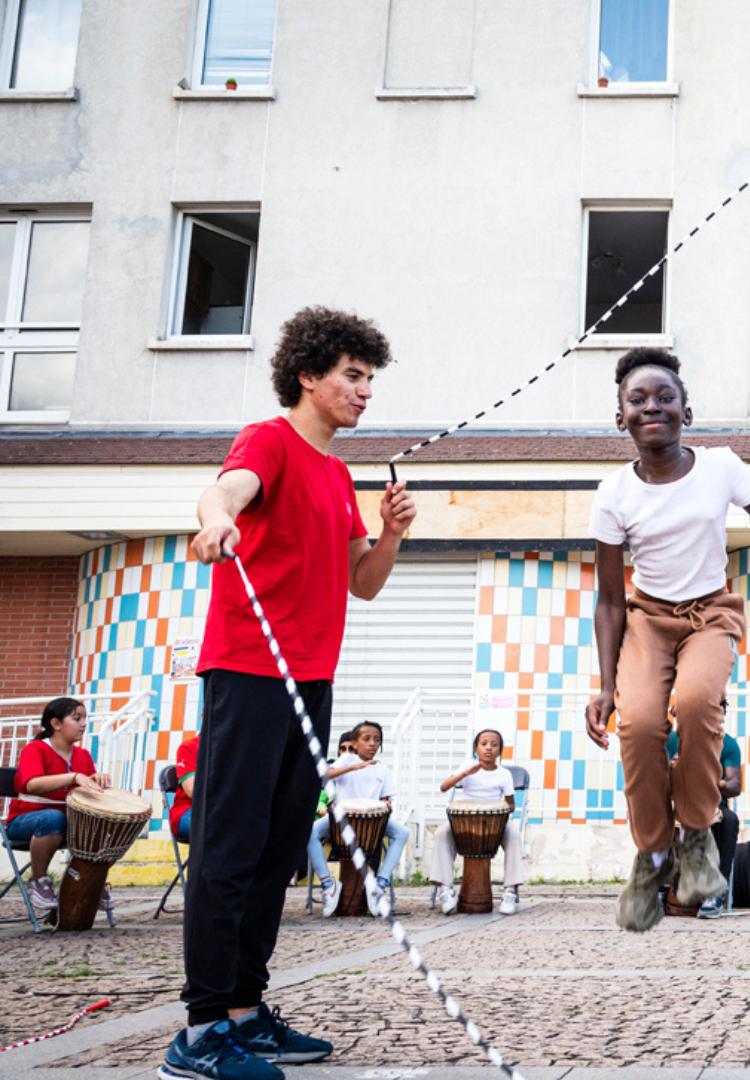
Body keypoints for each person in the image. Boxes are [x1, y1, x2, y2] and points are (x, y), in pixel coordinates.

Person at [171, 306, 414, 1080]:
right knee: (228, 847)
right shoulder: (269, 441)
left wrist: (392, 534)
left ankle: (247, 1010)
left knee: (277, 849)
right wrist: (215, 525)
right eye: (352, 375)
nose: (364, 390)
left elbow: (362, 585)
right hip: (248, 669)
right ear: (308, 375)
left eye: (370, 378)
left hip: (311, 677)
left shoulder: (339, 475)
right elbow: (226, 492)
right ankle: (202, 1030)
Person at [584, 347, 750, 933]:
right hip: (645, 620)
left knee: (693, 704)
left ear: (686, 409)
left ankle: (695, 839)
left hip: (712, 614)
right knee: (639, 726)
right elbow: (611, 599)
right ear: (621, 419)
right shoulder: (613, 494)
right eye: (637, 400)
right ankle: (653, 856)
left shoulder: (720, 466)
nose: (652, 407)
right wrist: (606, 686)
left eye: (665, 397)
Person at [5, 697, 113, 916]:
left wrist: (96, 779)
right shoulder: (35, 750)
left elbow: (88, 791)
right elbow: (32, 785)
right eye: (76, 719)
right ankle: (38, 880)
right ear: (56, 724)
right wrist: (74, 777)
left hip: (66, 822)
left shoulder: (83, 755)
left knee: (106, 823)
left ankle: (92, 878)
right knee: (54, 817)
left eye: (85, 718)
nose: (84, 724)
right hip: (26, 820)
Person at [305, 722, 409, 917]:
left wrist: (386, 804)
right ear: (355, 742)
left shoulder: (383, 770)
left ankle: (379, 884)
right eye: (367, 739)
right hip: (340, 821)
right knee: (309, 832)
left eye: (377, 740)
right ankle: (328, 884)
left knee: (402, 832)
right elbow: (325, 775)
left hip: (370, 823)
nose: (372, 744)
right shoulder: (345, 760)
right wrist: (354, 766)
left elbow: (385, 799)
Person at [428, 729, 524, 917]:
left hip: (496, 822)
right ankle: (446, 890)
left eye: (494, 744)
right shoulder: (467, 766)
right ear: (476, 748)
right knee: (441, 834)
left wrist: (499, 810)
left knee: (514, 836)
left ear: (500, 750)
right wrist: (466, 773)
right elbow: (443, 787)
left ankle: (510, 892)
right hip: (465, 821)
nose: (489, 748)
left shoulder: (504, 774)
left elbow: (511, 804)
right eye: (484, 744)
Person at [666, 720, 743, 919]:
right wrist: (670, 769)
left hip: (714, 804)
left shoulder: (728, 744)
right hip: (678, 803)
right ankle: (662, 887)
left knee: (730, 821)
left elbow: (734, 786)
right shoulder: (671, 740)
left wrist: (709, 780)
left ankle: (717, 892)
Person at [172, 734, 199, 845]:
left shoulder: (234, 751)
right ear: (203, 717)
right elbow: (193, 791)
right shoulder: (189, 747)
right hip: (188, 809)